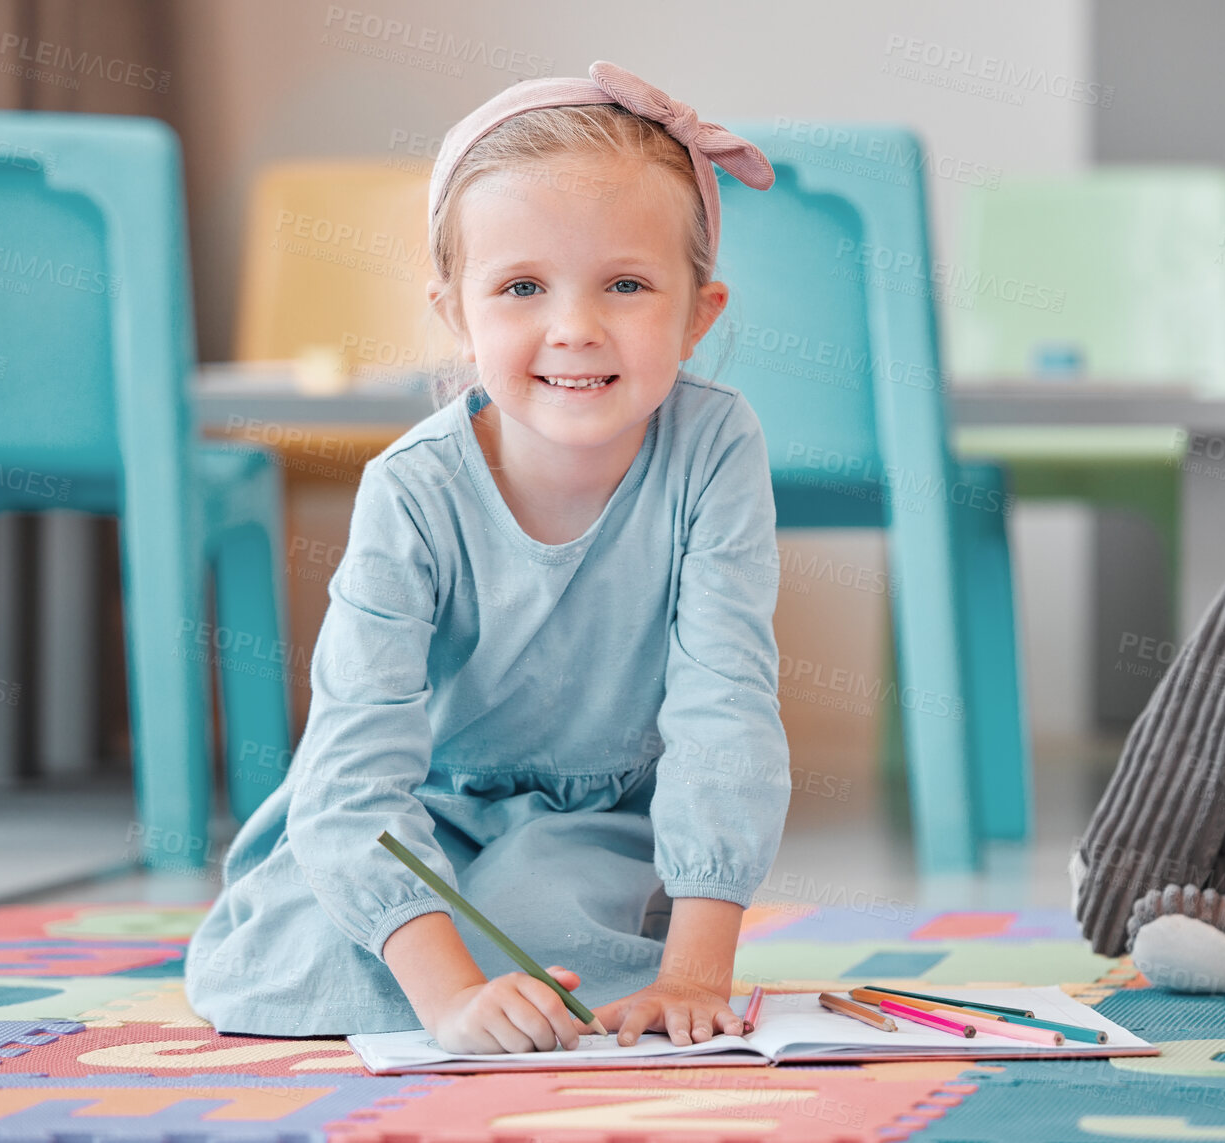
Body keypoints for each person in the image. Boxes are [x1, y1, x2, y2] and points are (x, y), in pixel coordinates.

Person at [185, 61, 791, 1055]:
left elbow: (724, 706)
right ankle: (481, 978)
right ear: (457, 315)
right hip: (412, 810)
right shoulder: (410, 489)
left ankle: (562, 964)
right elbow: (352, 771)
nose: (573, 329)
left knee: (539, 915)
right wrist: (446, 999)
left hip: (589, 822)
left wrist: (693, 975)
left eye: (626, 285)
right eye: (520, 287)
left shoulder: (715, 447)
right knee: (294, 952)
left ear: (697, 313)